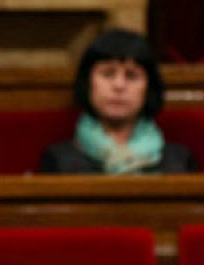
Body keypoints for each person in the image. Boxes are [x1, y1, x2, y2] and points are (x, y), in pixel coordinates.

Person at [39, 28, 196, 173]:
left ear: (149, 87)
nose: (119, 85)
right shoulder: (59, 161)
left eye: (131, 75)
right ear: (88, 83)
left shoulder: (179, 162)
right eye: (108, 74)